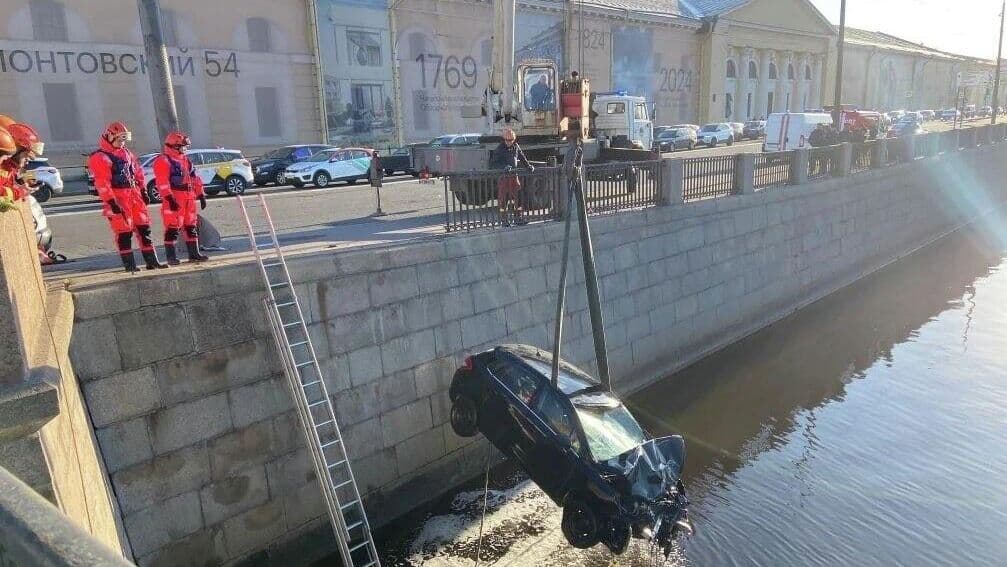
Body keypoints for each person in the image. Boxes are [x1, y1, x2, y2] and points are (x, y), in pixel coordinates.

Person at [88, 121, 167, 272]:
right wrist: (111, 202)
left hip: (134, 195)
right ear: (110, 137)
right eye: (119, 139)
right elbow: (102, 183)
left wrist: (143, 190)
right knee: (124, 233)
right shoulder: (100, 157)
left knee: (144, 229)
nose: (122, 143)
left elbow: (137, 172)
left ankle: (152, 262)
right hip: (118, 198)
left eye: (124, 140)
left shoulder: (127, 153)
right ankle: (130, 266)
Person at [152, 131, 208, 264]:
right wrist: (169, 198)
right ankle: (171, 257)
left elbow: (195, 178)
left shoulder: (184, 160)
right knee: (172, 227)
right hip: (175, 196)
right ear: (174, 146)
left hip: (188, 197)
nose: (185, 149)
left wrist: (200, 194)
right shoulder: (163, 160)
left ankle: (194, 254)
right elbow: (162, 182)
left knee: (190, 226)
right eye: (183, 146)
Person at [491, 127, 533, 226]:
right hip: (504, 177)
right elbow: (493, 164)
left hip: (514, 176)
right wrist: (504, 167)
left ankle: (518, 218)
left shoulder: (516, 146)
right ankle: (504, 221)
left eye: (510, 140)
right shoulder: (500, 149)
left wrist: (528, 166)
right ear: (504, 139)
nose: (508, 142)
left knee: (518, 198)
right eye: (506, 140)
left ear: (514, 140)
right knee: (503, 200)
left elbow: (522, 157)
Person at [0, 122, 44, 212]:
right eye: (26, 155)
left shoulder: (11, 167)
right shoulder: (3, 166)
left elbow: (13, 180)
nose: (27, 160)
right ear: (18, 149)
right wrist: (21, 192)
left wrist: (26, 182)